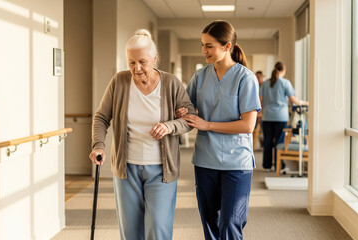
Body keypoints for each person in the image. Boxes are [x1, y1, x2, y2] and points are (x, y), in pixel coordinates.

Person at [89, 29, 196, 240]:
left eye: (142, 62)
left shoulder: (171, 83)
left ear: (154, 59)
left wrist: (169, 126)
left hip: (162, 169)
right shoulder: (119, 82)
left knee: (158, 228)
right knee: (131, 232)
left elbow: (190, 119)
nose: (137, 68)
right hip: (126, 168)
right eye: (131, 63)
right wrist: (98, 144)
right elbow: (101, 117)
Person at [176, 20, 261, 240]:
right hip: (205, 160)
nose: (204, 51)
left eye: (209, 46)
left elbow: (248, 125)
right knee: (210, 222)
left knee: (230, 222)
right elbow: (187, 105)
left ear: (227, 46)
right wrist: (182, 111)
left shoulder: (246, 78)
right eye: (202, 45)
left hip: (237, 162)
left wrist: (207, 124)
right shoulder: (200, 76)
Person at [259, 61, 309, 171]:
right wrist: (305, 103)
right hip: (280, 117)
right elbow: (293, 100)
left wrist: (261, 112)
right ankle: (279, 166)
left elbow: (260, 100)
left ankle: (267, 166)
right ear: (283, 70)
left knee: (267, 141)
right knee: (279, 141)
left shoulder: (266, 83)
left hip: (267, 116)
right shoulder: (285, 83)